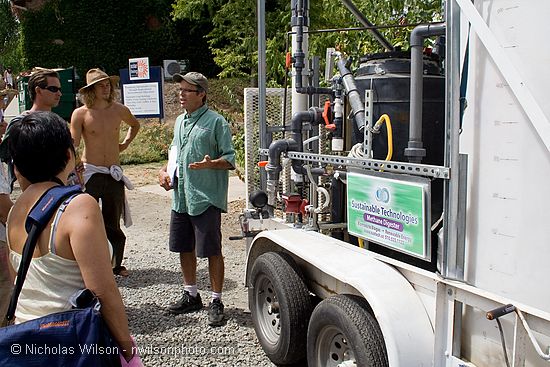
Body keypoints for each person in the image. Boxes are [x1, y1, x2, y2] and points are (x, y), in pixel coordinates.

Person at [4, 111, 142, 365]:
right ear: (69, 155)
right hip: (70, 344)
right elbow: (103, 290)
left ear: (16, 166)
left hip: (25, 343)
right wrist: (128, 351)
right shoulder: (78, 206)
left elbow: (20, 280)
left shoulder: (15, 210)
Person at [158, 72, 235, 326]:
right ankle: (191, 294)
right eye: (179, 90)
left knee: (212, 250)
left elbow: (230, 159)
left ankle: (216, 300)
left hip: (205, 197)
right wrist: (164, 173)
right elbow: (174, 154)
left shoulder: (216, 122)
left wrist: (213, 163)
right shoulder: (180, 121)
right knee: (184, 247)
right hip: (181, 197)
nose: (180, 94)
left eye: (186, 90)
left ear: (201, 94)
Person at [70, 68, 140, 277]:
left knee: (113, 221)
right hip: (90, 172)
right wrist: (75, 164)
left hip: (112, 173)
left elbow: (135, 125)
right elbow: (73, 143)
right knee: (86, 221)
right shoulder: (80, 113)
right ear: (91, 90)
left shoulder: (119, 109)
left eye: (108, 84)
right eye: (101, 85)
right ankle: (87, 265)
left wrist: (125, 143)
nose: (106, 87)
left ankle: (116, 264)